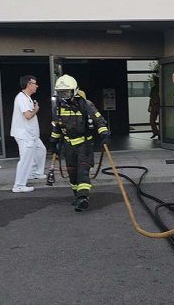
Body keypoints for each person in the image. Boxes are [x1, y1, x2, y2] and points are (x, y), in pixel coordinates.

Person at [50, 74, 111, 212]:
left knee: (83, 171)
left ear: (74, 91)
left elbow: (99, 121)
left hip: (85, 145)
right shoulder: (58, 107)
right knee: (72, 173)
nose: (64, 96)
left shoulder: (86, 105)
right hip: (68, 145)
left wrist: (104, 134)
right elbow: (57, 126)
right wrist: (53, 142)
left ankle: (83, 198)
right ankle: (78, 195)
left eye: (66, 92)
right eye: (61, 93)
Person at [11, 75, 47, 193]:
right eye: (34, 83)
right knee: (26, 159)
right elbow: (28, 115)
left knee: (41, 150)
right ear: (28, 84)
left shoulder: (28, 98)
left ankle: (35, 173)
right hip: (24, 135)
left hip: (31, 135)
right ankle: (19, 185)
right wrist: (36, 109)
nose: (36, 85)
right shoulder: (21, 98)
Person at [148, 74, 160, 139]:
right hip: (153, 106)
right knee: (151, 120)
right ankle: (155, 132)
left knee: (162, 121)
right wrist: (149, 106)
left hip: (160, 106)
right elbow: (151, 98)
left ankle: (161, 134)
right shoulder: (153, 88)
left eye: (156, 80)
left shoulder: (162, 87)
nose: (155, 81)